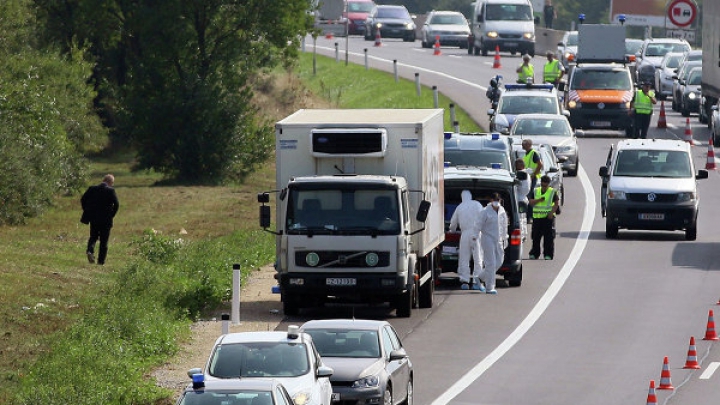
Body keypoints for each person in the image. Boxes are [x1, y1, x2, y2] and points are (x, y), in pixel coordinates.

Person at [448, 190, 484, 290]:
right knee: (478, 257)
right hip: (476, 233)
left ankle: (464, 281)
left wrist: (451, 230)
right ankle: (477, 280)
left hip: (464, 234)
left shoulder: (459, 207)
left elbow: (453, 223)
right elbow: (483, 218)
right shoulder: (477, 204)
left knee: (464, 258)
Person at [81, 174, 120, 265]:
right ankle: (100, 262)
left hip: (94, 218)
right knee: (104, 241)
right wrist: (111, 215)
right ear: (111, 182)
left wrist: (87, 210)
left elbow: (83, 199)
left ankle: (90, 251)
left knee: (93, 236)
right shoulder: (111, 191)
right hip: (106, 220)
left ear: (103, 180)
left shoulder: (92, 189)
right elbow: (117, 204)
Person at [476, 193, 508, 295]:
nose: (496, 202)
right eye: (494, 200)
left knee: (499, 261)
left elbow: (504, 225)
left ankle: (481, 277)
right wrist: (474, 235)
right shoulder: (485, 211)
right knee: (491, 263)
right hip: (487, 238)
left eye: (498, 200)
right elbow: (478, 224)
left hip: (498, 239)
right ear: (491, 200)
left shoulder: (502, 210)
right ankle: (490, 287)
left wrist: (505, 238)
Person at [528, 175, 559, 260]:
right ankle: (535, 253)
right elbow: (530, 202)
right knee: (535, 237)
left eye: (546, 185)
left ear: (549, 184)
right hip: (537, 218)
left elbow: (556, 204)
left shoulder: (552, 192)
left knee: (548, 238)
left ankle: (548, 254)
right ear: (541, 183)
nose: (544, 187)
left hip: (548, 218)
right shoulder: (536, 191)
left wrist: (551, 213)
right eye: (543, 184)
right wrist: (538, 200)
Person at [521, 139, 543, 219]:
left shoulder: (533, 153)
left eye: (524, 144)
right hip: (527, 178)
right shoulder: (526, 154)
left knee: (528, 196)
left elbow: (540, 165)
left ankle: (529, 216)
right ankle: (528, 215)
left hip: (532, 178)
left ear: (529, 144)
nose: (522, 145)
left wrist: (534, 174)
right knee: (527, 196)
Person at [514, 158, 530, 240]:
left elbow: (522, 188)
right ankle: (524, 234)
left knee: (520, 218)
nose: (515, 166)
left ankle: (522, 235)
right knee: (523, 217)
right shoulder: (526, 173)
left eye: (517, 164)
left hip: (520, 198)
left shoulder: (522, 174)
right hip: (522, 198)